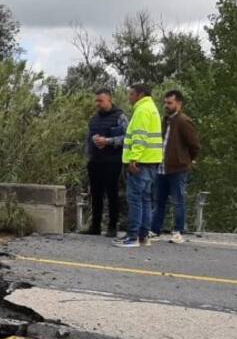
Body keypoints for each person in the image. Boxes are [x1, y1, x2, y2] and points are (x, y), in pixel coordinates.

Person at [150, 89, 201, 243]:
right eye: (165, 103)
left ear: (179, 103)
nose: (166, 105)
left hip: (178, 168)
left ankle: (178, 231)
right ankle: (155, 229)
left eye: (170, 103)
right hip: (162, 167)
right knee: (159, 200)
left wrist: (187, 160)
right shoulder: (165, 120)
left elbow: (195, 145)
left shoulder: (184, 121)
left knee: (178, 200)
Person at [117, 84, 163, 247]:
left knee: (135, 200)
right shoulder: (152, 108)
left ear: (140, 94)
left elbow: (139, 137)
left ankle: (133, 237)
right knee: (145, 199)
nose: (129, 97)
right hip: (151, 161)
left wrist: (133, 159)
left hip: (140, 162)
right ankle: (143, 236)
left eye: (131, 94)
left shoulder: (142, 110)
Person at [83, 88, 128, 236]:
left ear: (109, 100)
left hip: (113, 162)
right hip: (95, 161)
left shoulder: (120, 117)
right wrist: (88, 156)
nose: (98, 104)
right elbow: (87, 139)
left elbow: (128, 138)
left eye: (100, 101)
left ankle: (112, 227)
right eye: (96, 101)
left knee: (112, 194)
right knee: (95, 195)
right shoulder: (94, 119)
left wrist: (107, 141)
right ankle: (95, 226)